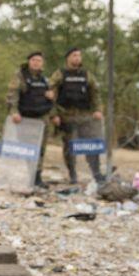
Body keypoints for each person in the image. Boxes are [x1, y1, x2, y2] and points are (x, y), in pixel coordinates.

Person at [49, 48, 104, 184]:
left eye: (79, 55)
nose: (77, 58)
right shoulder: (59, 74)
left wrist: (98, 110)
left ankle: (96, 173)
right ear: (68, 58)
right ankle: (73, 174)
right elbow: (50, 95)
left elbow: (95, 93)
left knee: (91, 145)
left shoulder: (87, 74)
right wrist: (54, 115)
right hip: (67, 115)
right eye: (74, 55)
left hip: (85, 115)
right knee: (70, 147)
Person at [6, 51, 55, 188]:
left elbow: (51, 98)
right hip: (26, 117)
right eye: (33, 60)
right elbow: (12, 95)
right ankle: (31, 175)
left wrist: (51, 97)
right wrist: (14, 112)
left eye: (39, 60)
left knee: (41, 149)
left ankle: (37, 177)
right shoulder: (20, 76)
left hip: (42, 118)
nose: (36, 62)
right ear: (29, 61)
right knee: (29, 148)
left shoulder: (44, 80)